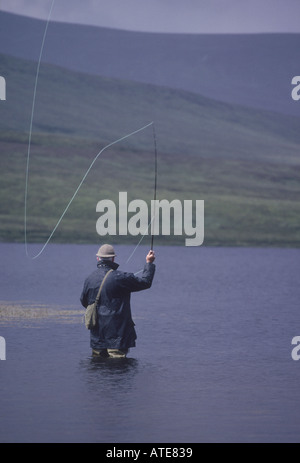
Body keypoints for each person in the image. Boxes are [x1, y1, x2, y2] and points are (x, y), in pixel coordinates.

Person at [80, 244, 156, 358]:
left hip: (97, 333)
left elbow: (84, 301)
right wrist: (149, 263)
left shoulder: (89, 278)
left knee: (97, 366)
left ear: (98, 258)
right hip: (117, 334)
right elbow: (145, 282)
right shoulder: (121, 277)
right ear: (113, 258)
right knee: (118, 366)